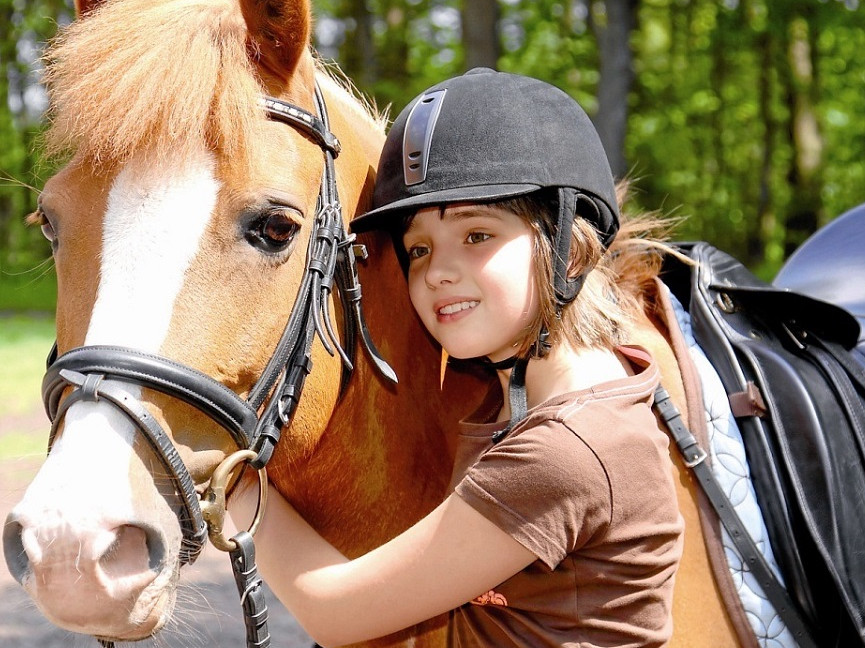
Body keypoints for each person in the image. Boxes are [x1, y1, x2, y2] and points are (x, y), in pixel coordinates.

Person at [234, 68, 683, 647]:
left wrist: (241, 488)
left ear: (569, 251)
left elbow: (334, 611)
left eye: (477, 236)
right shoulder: (578, 398)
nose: (438, 271)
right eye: (419, 249)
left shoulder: (567, 452)